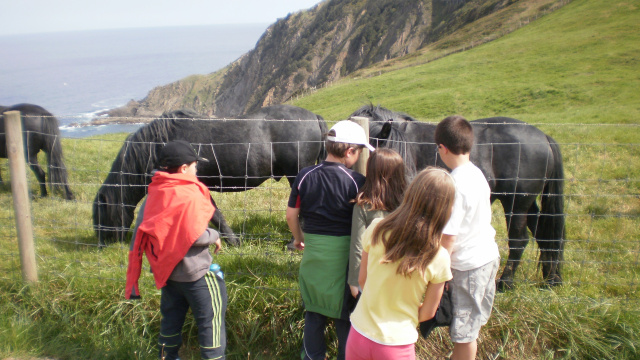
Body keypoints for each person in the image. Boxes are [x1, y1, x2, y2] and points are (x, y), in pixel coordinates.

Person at [125, 140, 227, 360]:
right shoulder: (188, 194)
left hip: (168, 274)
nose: (196, 170)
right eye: (194, 166)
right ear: (183, 169)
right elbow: (194, 235)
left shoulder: (155, 192)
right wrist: (215, 235)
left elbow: (146, 229)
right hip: (197, 274)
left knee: (170, 320)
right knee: (211, 322)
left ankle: (167, 356)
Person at [286, 120, 374, 360]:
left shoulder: (305, 175)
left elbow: (291, 214)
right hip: (343, 257)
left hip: (313, 253)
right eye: (359, 152)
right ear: (349, 152)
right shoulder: (357, 181)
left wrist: (299, 238)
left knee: (314, 311)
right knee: (344, 314)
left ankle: (313, 356)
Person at [346, 167, 456, 360]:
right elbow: (428, 313)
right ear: (447, 209)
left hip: (359, 334)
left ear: (411, 194)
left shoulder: (376, 229)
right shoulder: (439, 257)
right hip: (396, 344)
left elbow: (362, 280)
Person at [435, 115, 500, 360]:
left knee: (465, 335)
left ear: (442, 148)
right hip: (487, 257)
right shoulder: (478, 174)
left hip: (468, 266)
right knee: (472, 326)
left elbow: (448, 238)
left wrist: (440, 271)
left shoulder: (454, 184)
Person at [349, 148, 406, 298]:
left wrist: (354, 282)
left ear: (371, 172)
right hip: (402, 277)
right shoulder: (407, 205)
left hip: (371, 278)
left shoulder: (363, 206)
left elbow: (357, 246)